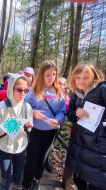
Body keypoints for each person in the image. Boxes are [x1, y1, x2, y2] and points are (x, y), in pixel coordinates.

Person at [22, 60, 66, 190]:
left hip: (50, 131)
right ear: (41, 75)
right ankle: (26, 183)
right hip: (34, 131)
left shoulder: (58, 92)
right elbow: (23, 107)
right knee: (31, 157)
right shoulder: (33, 91)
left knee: (43, 157)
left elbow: (62, 112)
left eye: (54, 74)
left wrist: (57, 120)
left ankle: (37, 180)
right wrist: (33, 112)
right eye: (48, 75)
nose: (51, 78)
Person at [65, 62, 106, 190]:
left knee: (96, 182)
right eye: (78, 77)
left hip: (97, 147)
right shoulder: (75, 94)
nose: (81, 81)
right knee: (79, 179)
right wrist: (75, 114)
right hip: (79, 144)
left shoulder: (101, 89)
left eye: (86, 77)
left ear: (93, 76)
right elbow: (70, 115)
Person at [0, 74, 33, 190]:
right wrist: (9, 125)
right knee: (6, 178)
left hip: (20, 148)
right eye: (19, 90)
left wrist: (28, 127)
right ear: (11, 88)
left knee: (17, 177)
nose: (22, 94)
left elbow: (28, 129)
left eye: (26, 90)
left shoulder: (27, 107)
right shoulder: (1, 108)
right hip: (4, 147)